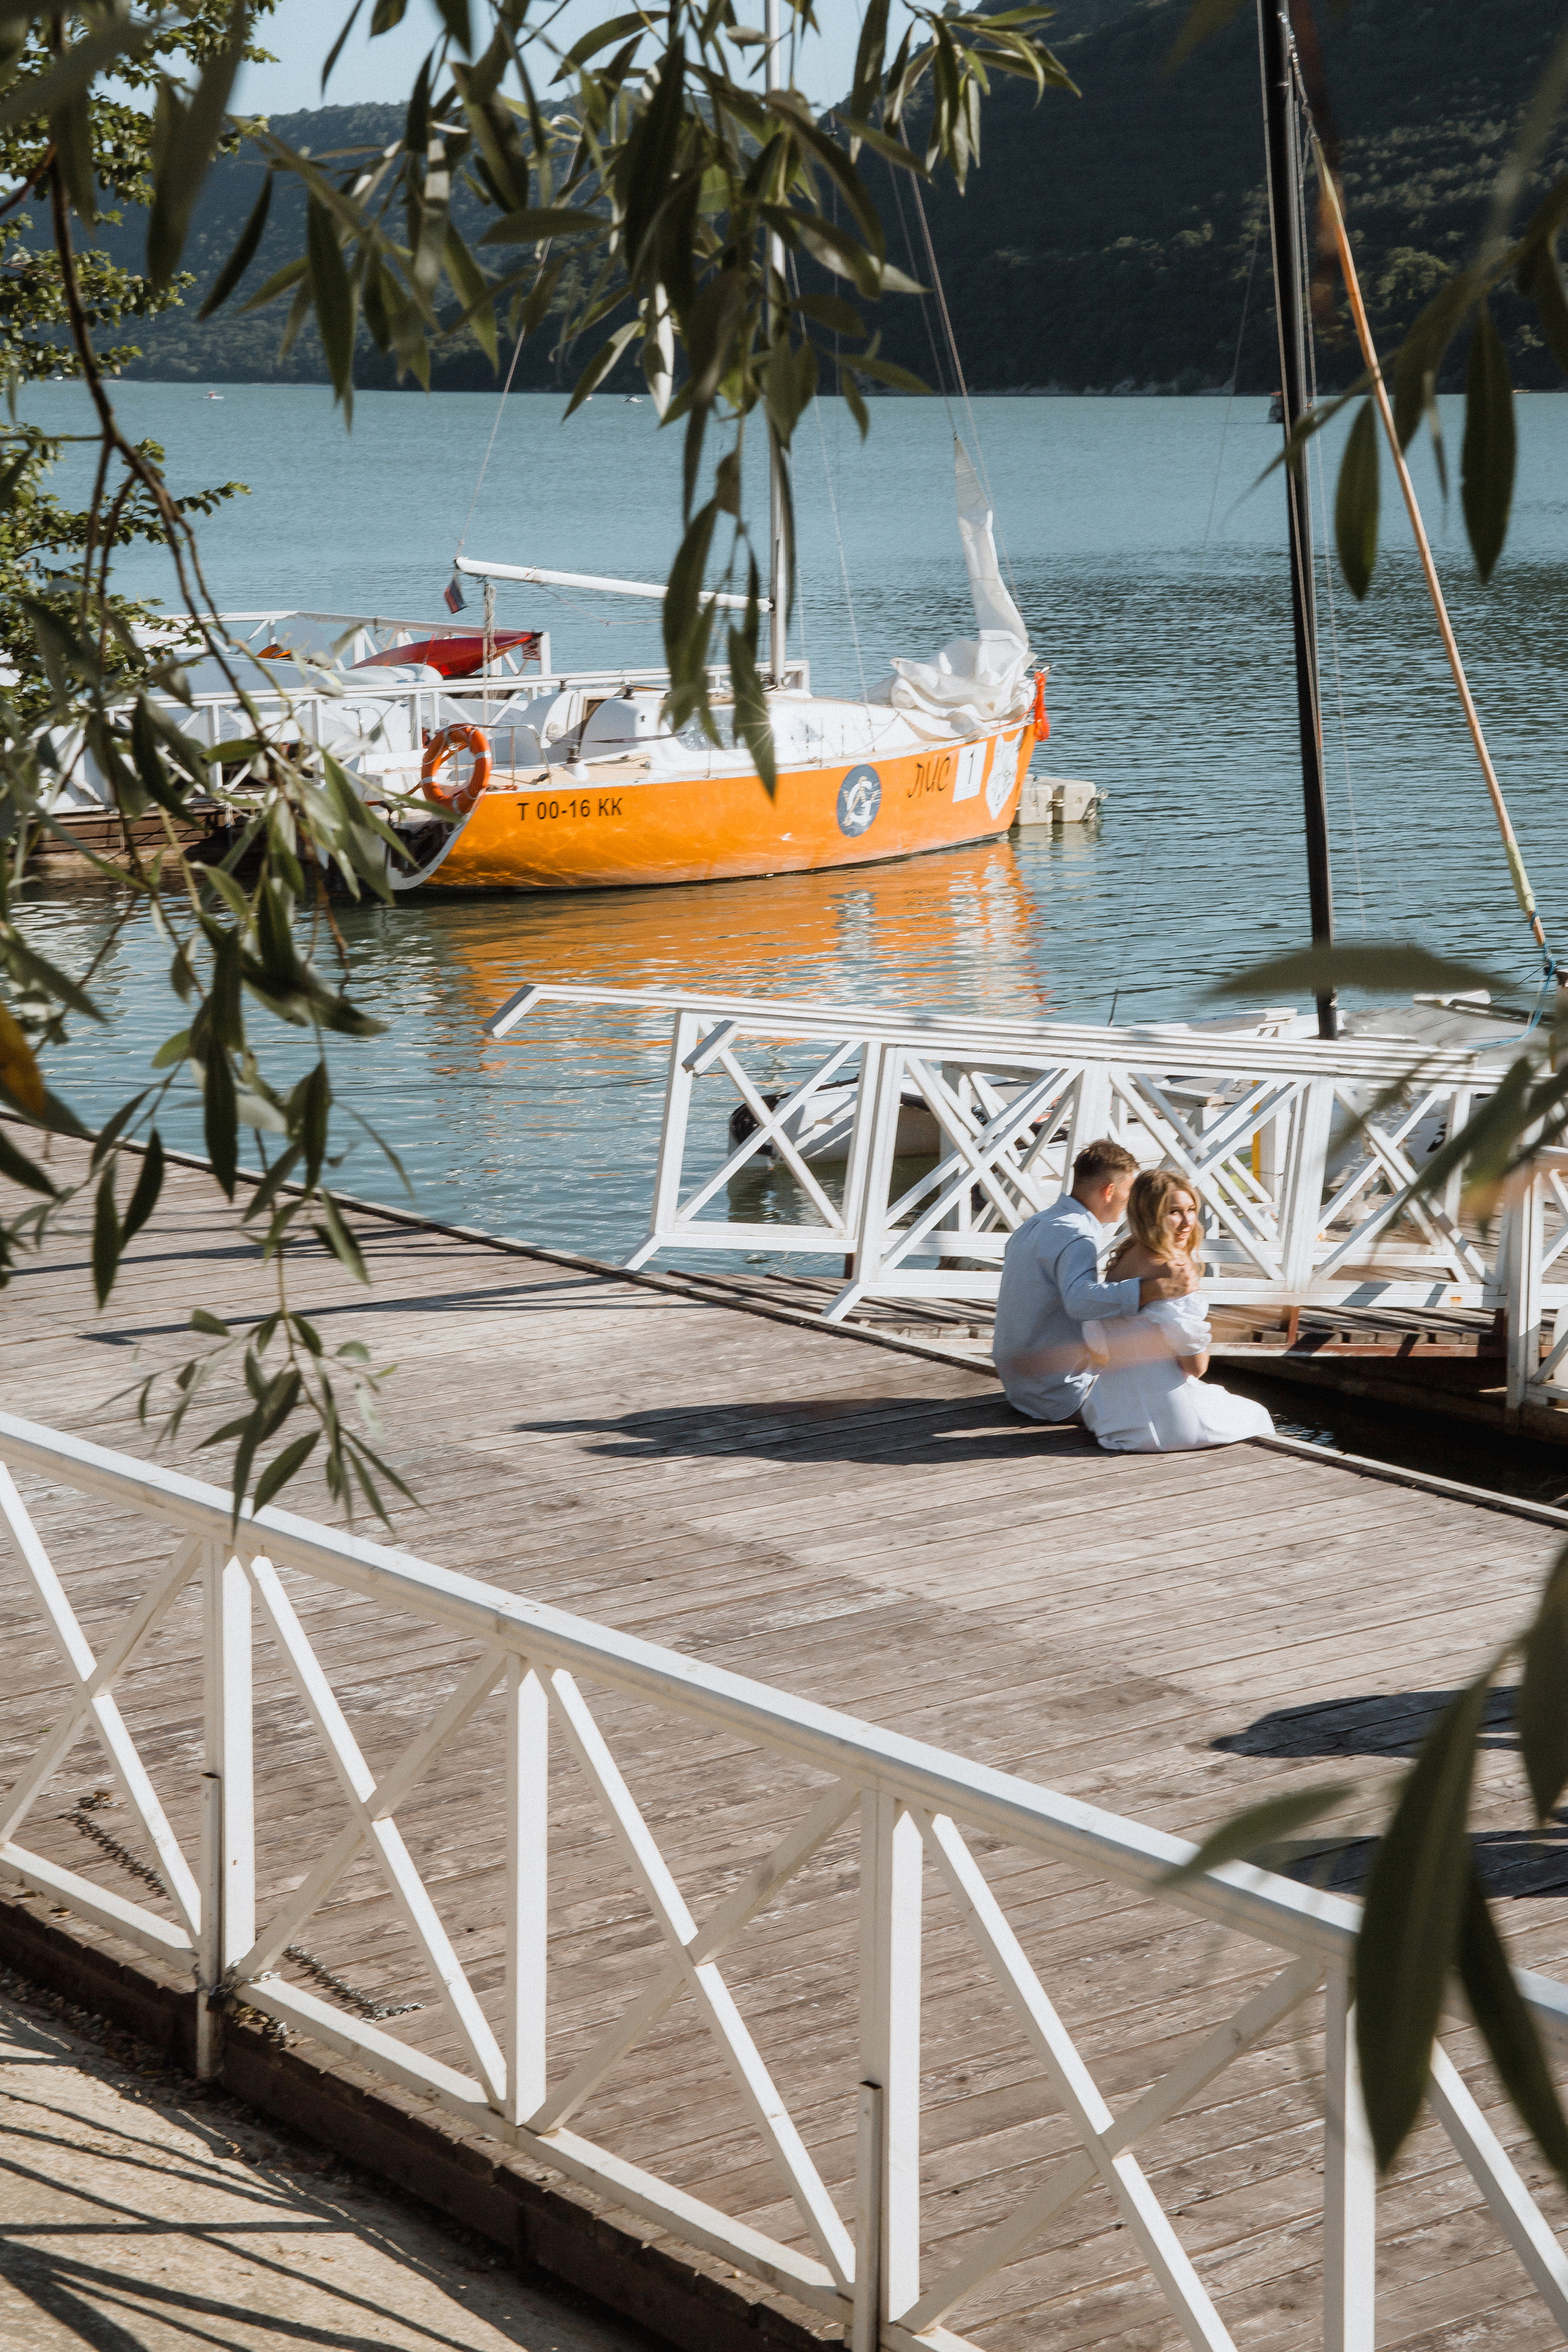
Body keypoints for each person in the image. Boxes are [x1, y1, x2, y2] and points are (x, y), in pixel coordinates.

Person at [992, 1138, 1199, 1424]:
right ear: (1110, 1191)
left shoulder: (1036, 1224)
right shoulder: (1077, 1236)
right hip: (1061, 1393)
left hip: (1020, 1382)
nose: (1130, 1205)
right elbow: (1080, 1302)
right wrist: (1152, 1289)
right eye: (1129, 1193)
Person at [1080, 1167, 1275, 1452]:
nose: (1187, 1222)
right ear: (1150, 1216)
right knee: (1256, 1414)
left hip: (1114, 1410)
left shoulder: (1122, 1260)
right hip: (1168, 1418)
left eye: (1191, 1210)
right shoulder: (1174, 1272)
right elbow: (1196, 1367)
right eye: (1174, 1212)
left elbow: (1097, 1343)